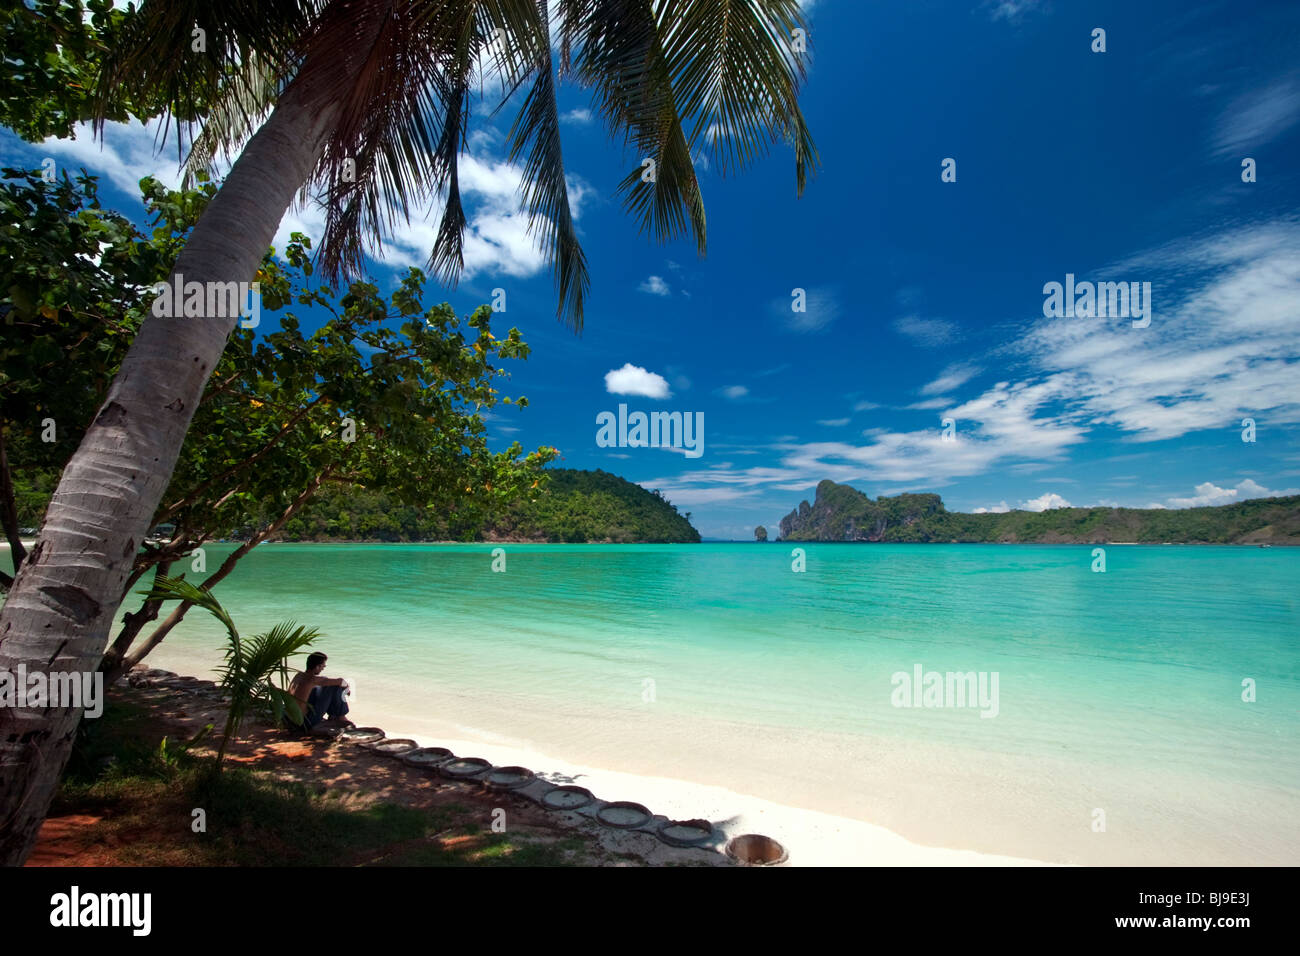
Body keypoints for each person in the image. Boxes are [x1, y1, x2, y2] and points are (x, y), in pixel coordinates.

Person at [287, 652, 354, 733]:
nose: (323, 668)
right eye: (323, 666)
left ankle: (334, 715)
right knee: (333, 686)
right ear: (317, 666)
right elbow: (341, 681)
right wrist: (347, 690)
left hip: (290, 719)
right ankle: (340, 716)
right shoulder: (313, 679)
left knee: (319, 687)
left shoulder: (298, 675)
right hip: (305, 722)